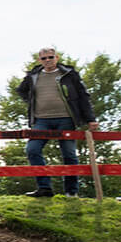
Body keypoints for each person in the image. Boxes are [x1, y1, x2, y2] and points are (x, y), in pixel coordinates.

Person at [17, 48, 95, 197]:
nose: (48, 60)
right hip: (41, 120)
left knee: (69, 154)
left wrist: (90, 119)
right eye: (44, 58)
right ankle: (44, 188)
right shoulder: (33, 75)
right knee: (32, 149)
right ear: (39, 60)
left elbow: (83, 96)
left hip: (66, 118)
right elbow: (21, 90)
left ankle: (71, 192)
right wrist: (31, 101)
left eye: (50, 57)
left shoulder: (68, 74)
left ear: (57, 58)